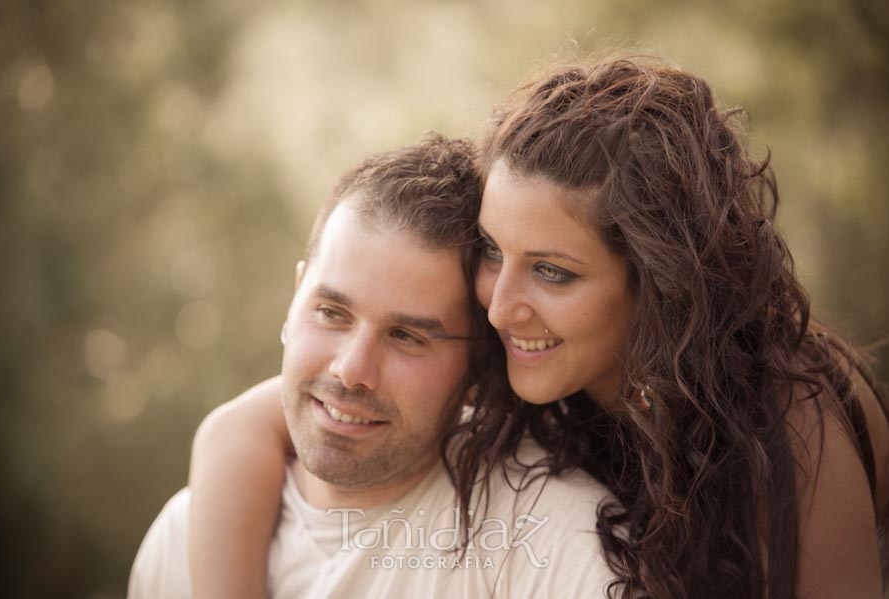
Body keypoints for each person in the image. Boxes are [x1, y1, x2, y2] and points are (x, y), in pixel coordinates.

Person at [187, 55, 889, 599]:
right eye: (494, 251)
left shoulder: (788, 425)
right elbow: (248, 425)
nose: (499, 305)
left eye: (553, 271)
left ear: (659, 284)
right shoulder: (523, 337)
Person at [128, 134, 616, 599]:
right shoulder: (183, 540)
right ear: (294, 300)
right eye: (331, 313)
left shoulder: (551, 543)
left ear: (478, 371)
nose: (350, 370)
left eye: (406, 336)